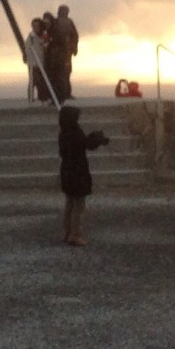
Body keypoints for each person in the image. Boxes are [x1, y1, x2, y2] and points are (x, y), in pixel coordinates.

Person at [58, 103, 110, 246]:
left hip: (67, 171)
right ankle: (75, 235)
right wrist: (98, 139)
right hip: (77, 172)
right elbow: (86, 144)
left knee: (69, 203)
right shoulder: (74, 132)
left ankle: (68, 232)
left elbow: (83, 143)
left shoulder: (64, 132)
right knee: (79, 205)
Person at [44, 9, 75, 103]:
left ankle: (61, 96)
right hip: (57, 56)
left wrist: (72, 47)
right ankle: (60, 96)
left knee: (61, 76)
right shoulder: (54, 25)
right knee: (59, 76)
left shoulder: (60, 25)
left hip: (60, 56)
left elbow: (73, 36)